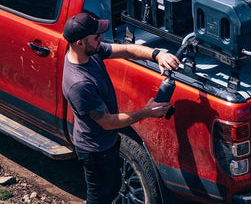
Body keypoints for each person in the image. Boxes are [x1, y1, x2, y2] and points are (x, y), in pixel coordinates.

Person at [61, 12, 179, 204]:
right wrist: (146, 112)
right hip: (95, 151)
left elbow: (126, 50)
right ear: (79, 43)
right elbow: (107, 122)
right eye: (96, 36)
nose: (101, 38)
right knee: (100, 198)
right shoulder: (79, 84)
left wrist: (157, 54)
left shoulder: (91, 51)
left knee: (114, 188)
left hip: (109, 142)